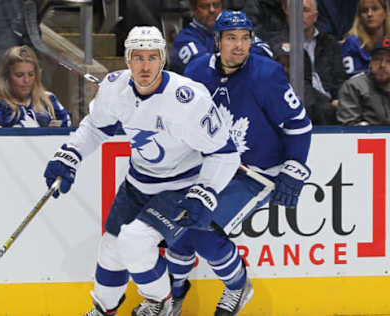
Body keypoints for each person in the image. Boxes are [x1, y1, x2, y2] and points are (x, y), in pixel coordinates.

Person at [43, 25, 259, 316]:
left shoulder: (189, 100)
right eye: (138, 57)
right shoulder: (114, 87)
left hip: (179, 186)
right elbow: (95, 128)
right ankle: (104, 308)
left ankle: (160, 303)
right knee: (111, 247)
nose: (145, 66)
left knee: (136, 241)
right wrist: (70, 155)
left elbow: (225, 153)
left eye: (152, 57)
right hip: (138, 182)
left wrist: (205, 191)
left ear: (163, 59)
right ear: (128, 60)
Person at [172, 10, 312, 315]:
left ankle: (237, 286)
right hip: (209, 168)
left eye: (245, 38)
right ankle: (173, 295)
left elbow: (299, 126)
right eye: (231, 38)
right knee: (174, 228)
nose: (239, 45)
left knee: (203, 230)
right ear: (217, 41)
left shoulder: (267, 74)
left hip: (255, 173)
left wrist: (294, 169)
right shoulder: (196, 71)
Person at [268, 0, 345, 124]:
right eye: (295, 10)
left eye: (305, 10)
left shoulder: (329, 43)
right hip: (293, 103)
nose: (299, 15)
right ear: (287, 13)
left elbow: (340, 79)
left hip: (329, 107)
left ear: (315, 16)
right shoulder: (275, 44)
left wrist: (339, 99)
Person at [0, 45, 70, 128]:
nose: (26, 80)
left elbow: (67, 131)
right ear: (6, 77)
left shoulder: (48, 100)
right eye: (19, 75)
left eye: (31, 74)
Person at [170, 0, 272, 74]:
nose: (212, 10)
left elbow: (265, 51)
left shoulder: (235, 29)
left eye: (216, 5)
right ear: (193, 9)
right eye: (205, 6)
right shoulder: (185, 39)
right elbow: (206, 69)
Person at [337, 36, 390, 125]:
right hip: (367, 138)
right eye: (377, 59)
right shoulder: (355, 86)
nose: (382, 65)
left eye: (389, 61)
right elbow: (349, 128)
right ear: (370, 62)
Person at [341, 0, 390, 76]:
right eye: (364, 11)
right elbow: (351, 79)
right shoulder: (351, 43)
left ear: (385, 13)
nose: (369, 14)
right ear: (360, 16)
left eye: (375, 9)